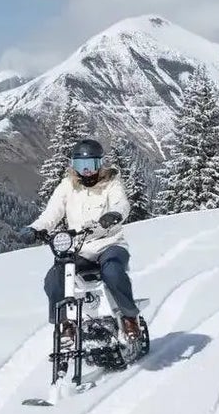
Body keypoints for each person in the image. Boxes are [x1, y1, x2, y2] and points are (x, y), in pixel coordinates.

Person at [32, 137, 145, 347]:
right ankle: (65, 323)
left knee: (112, 270)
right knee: (56, 276)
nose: (85, 171)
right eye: (80, 165)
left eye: (90, 165)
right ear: (73, 165)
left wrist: (114, 215)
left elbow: (121, 204)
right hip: (80, 248)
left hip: (110, 243)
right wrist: (37, 228)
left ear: (99, 163)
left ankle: (129, 317)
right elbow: (52, 213)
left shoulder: (111, 183)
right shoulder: (67, 186)